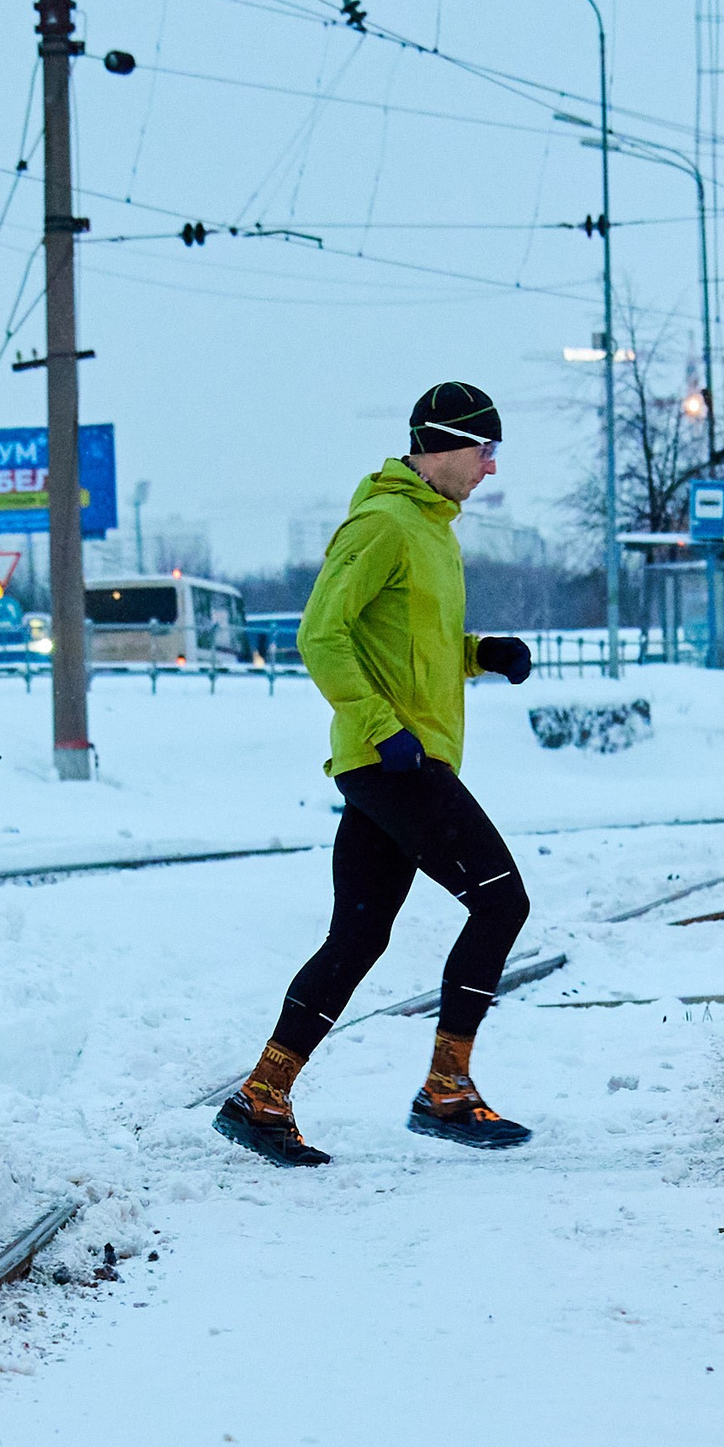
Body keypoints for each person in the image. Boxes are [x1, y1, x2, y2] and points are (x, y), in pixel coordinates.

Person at [215, 382, 538, 1166]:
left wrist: (480, 653)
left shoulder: (434, 530)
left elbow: (411, 648)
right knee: (501, 900)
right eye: (483, 451)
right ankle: (447, 1090)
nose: (490, 469)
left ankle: (262, 1095)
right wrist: (379, 725)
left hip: (399, 759)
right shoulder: (384, 522)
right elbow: (321, 633)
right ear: (443, 445)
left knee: (358, 935)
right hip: (395, 761)